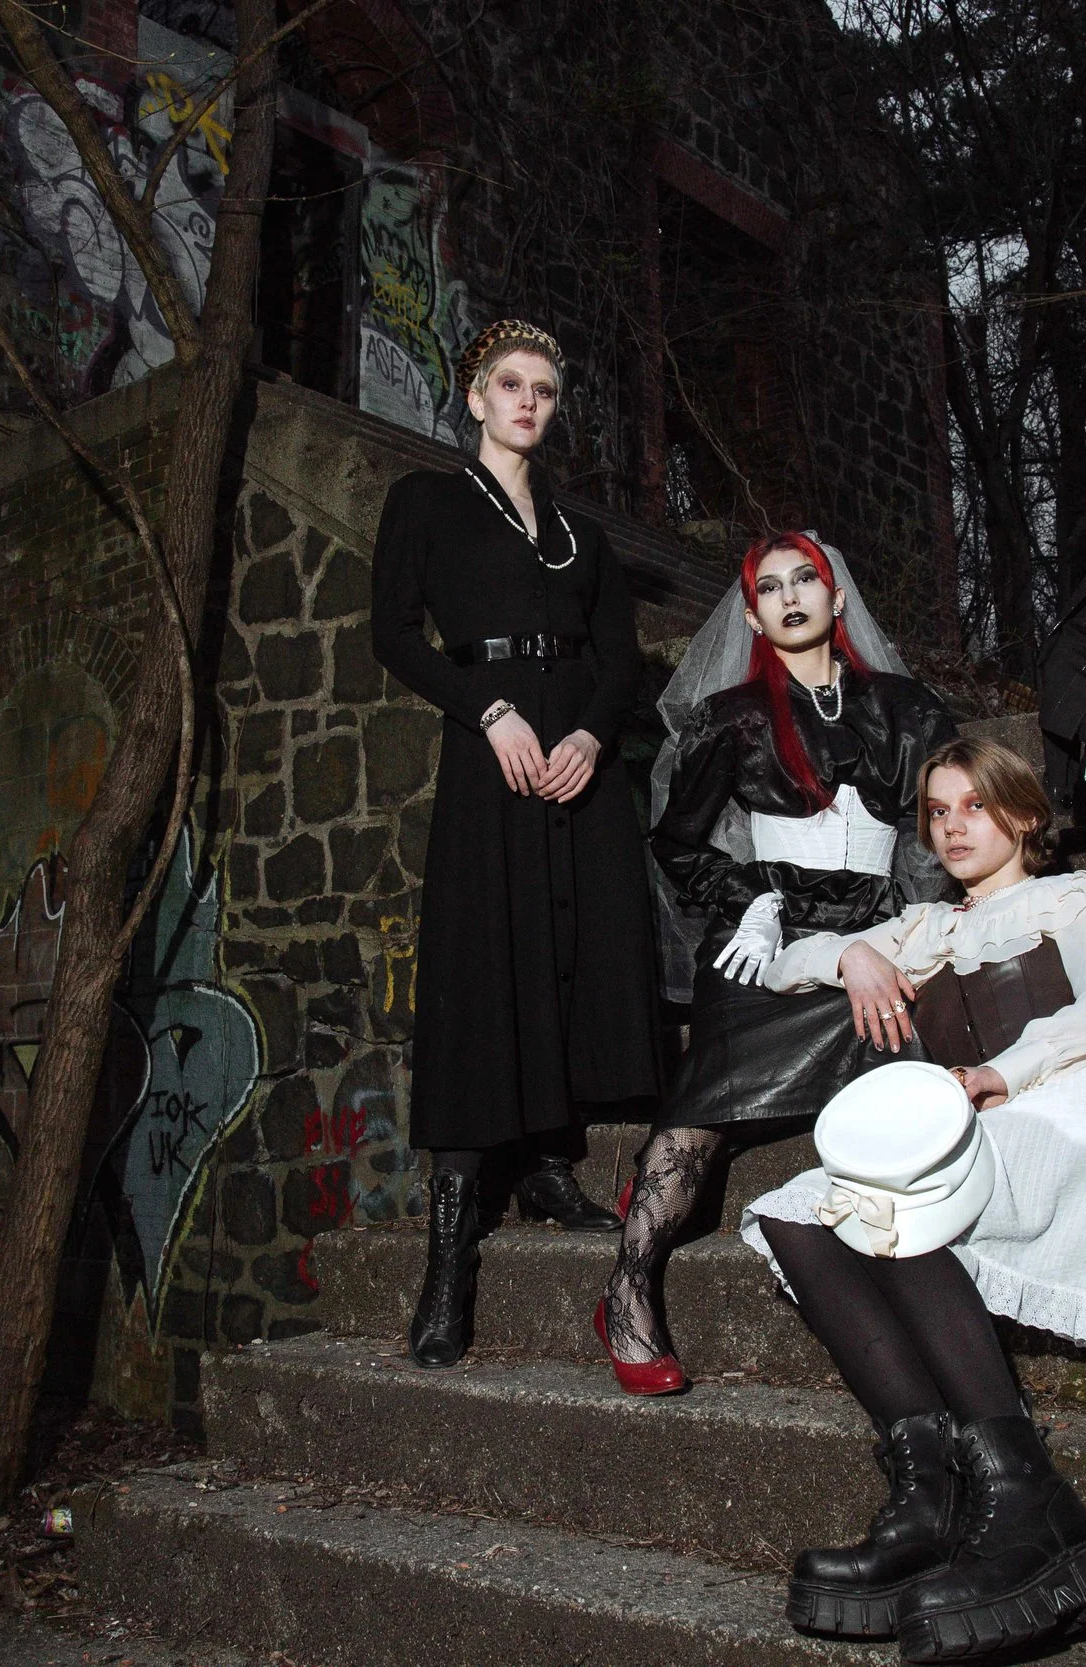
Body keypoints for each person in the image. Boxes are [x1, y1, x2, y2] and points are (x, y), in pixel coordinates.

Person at [742, 736, 1086, 1659]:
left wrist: (1002, 1071)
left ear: (1022, 814)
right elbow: (787, 964)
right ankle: (929, 1491)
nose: (952, 827)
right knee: (797, 1213)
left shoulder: (1078, 895)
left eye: (974, 806)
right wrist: (854, 956)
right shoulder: (924, 927)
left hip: (1084, 1095)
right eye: (938, 812)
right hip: (979, 1115)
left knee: (904, 1195)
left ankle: (1027, 1497)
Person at [596, 531, 954, 1395]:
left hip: (880, 932)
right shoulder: (734, 717)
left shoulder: (906, 708)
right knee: (709, 1096)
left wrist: (912, 929)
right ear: (753, 614)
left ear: (836, 596)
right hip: (768, 933)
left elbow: (937, 830)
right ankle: (627, 1285)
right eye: (769, 587)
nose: (789, 596)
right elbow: (678, 842)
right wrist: (752, 898)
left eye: (804, 580)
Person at [369, 319, 660, 1369]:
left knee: (571, 945)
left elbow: (621, 657)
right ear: (475, 396)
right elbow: (393, 634)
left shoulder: (580, 532)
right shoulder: (427, 501)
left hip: (577, 758)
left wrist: (589, 734)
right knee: (483, 960)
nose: (528, 401)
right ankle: (448, 1262)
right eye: (509, 383)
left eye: (543, 387)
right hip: (491, 753)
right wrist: (487, 710)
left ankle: (546, 1165)